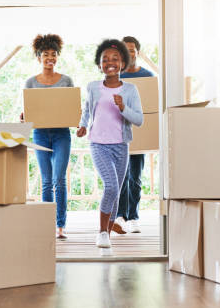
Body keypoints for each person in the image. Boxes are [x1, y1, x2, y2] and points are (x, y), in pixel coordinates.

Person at [77, 39, 143, 248]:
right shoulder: (93, 87)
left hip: (121, 145)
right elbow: (87, 110)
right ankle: (102, 232)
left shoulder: (131, 90)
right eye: (105, 60)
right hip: (98, 144)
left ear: (123, 63)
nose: (110, 63)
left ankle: (109, 228)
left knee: (116, 190)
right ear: (99, 65)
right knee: (111, 186)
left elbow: (139, 120)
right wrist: (83, 125)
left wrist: (123, 107)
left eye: (115, 59)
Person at [23, 34, 74, 239]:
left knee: (59, 180)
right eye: (45, 54)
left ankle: (60, 225)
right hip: (40, 134)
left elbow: (71, 107)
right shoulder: (30, 82)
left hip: (62, 133)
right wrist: (24, 116)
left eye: (53, 54)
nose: (50, 58)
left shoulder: (66, 80)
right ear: (38, 58)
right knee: (46, 181)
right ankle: (48, 225)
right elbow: (29, 110)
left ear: (57, 57)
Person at [115, 36, 155, 234]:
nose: (129, 53)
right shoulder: (117, 77)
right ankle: (120, 216)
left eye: (132, 50)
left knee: (135, 177)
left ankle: (134, 217)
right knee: (120, 177)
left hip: (140, 131)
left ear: (137, 52)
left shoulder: (148, 76)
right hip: (120, 132)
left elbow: (152, 106)